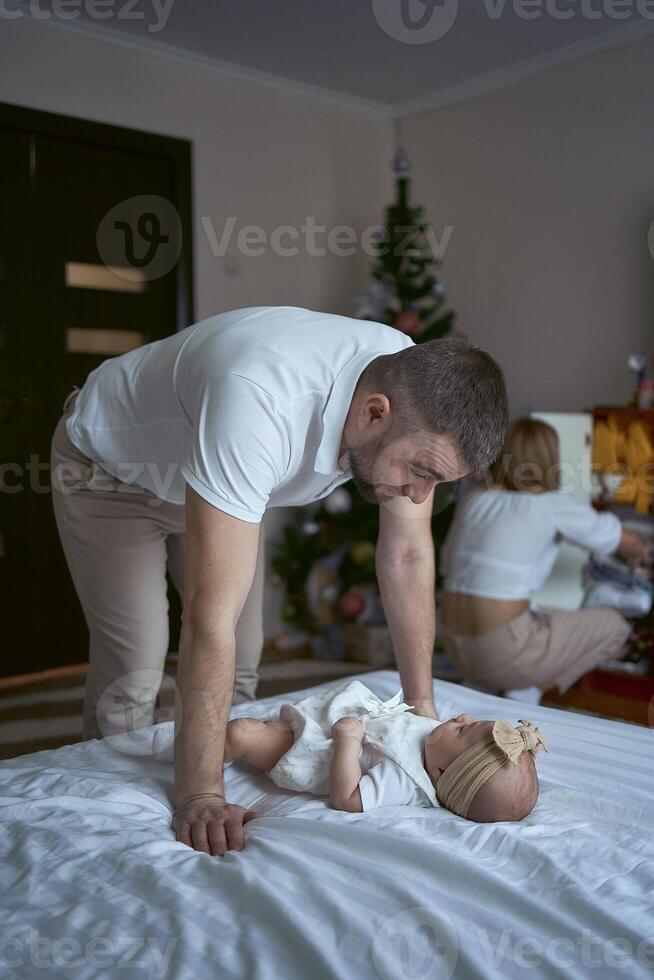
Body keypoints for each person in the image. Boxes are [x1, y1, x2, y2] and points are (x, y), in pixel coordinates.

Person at [50, 305, 508, 855]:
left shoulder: (410, 386)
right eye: (422, 472)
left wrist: (423, 710)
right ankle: (96, 825)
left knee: (244, 661)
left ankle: (214, 755)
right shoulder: (261, 396)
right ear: (373, 414)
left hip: (216, 472)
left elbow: (408, 555)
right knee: (137, 665)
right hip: (111, 474)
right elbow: (207, 614)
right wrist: (200, 797)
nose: (418, 496)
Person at [439, 418, 652, 701]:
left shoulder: (475, 499)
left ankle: (488, 687)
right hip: (501, 652)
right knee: (615, 627)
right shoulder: (549, 504)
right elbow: (616, 537)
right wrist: (640, 550)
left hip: (453, 646)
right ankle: (526, 692)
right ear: (550, 457)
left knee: (545, 614)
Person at [208, 680, 549, 838]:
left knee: (241, 733)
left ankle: (196, 765)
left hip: (309, 753)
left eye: (463, 731)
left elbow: (348, 798)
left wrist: (347, 742)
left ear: (441, 774)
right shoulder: (435, 746)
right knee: (254, 726)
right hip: (318, 726)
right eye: (468, 722)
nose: (460, 717)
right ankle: (198, 745)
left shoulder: (404, 780)